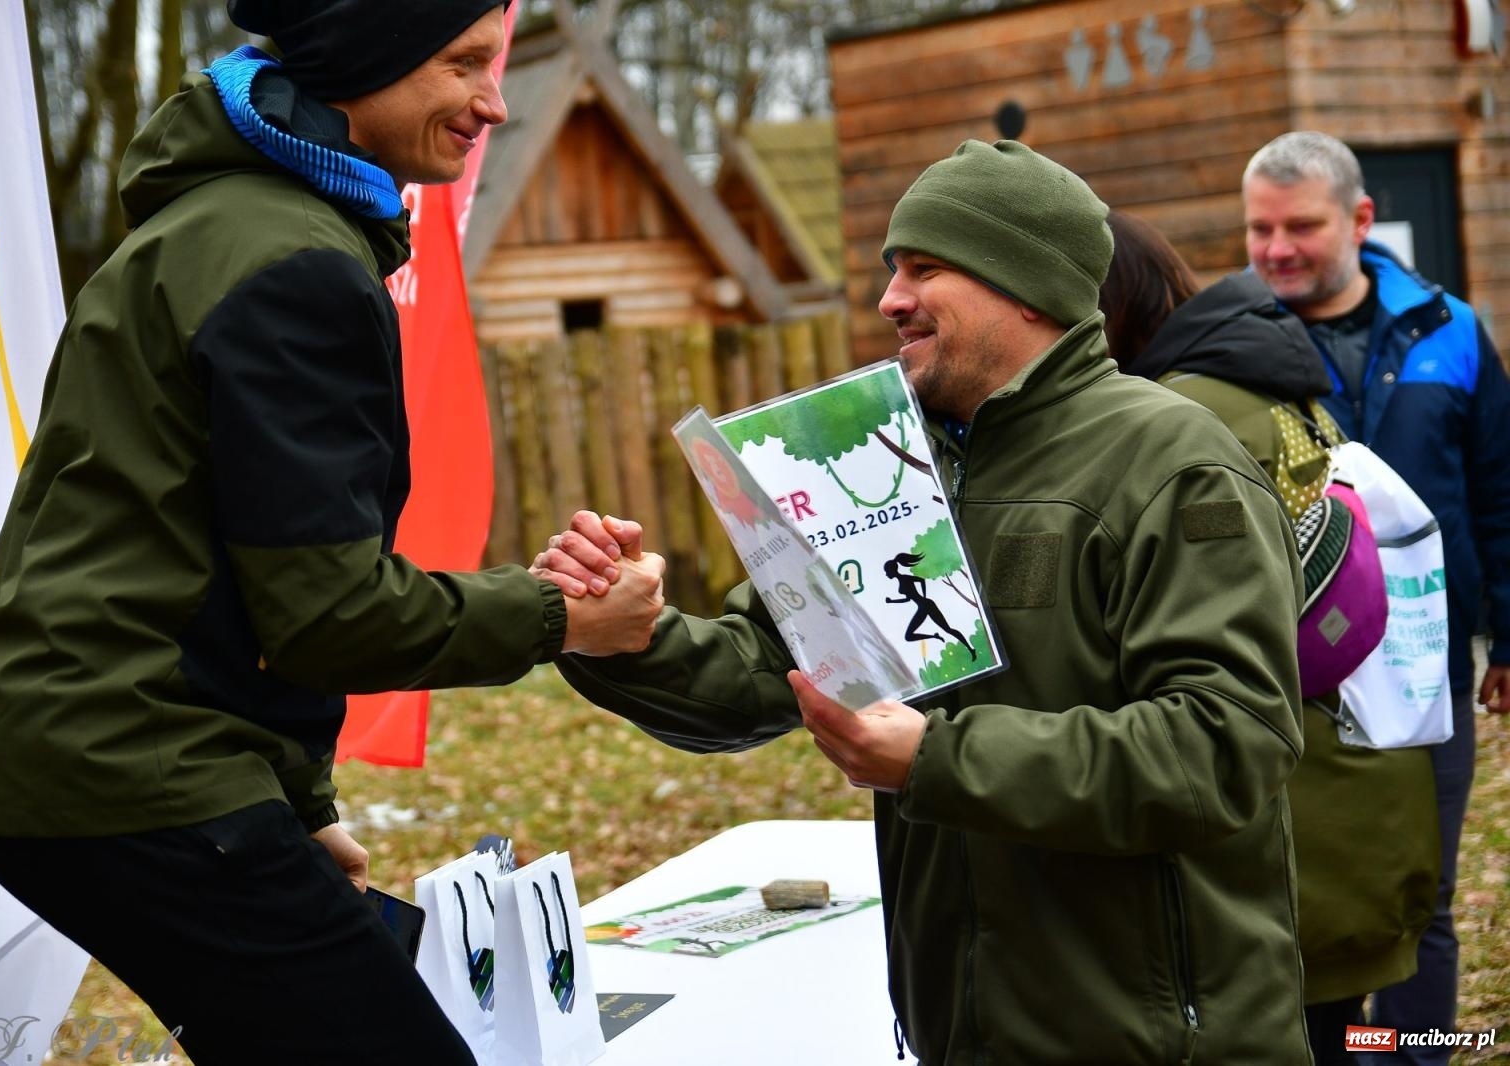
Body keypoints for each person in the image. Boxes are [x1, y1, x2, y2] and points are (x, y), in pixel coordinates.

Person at [0, 2, 663, 1062]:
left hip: (90, 754)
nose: (493, 103)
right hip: (130, 766)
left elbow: (211, 563)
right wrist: (566, 617)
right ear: (365, 59)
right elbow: (332, 616)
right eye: (462, 65)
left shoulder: (222, 225)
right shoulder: (294, 264)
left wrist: (295, 802)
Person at [536, 140, 1314, 1064]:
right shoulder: (887, 473)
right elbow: (762, 669)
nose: (890, 299)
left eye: (925, 269)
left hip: (1158, 1040)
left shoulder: (1174, 466)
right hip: (964, 1029)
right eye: (892, 270)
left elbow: (1227, 746)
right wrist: (614, 629)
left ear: (1029, 289)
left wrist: (938, 760)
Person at [1099, 210, 1441, 1064]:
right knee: (1343, 1034)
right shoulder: (1258, 383)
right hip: (1357, 782)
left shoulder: (1179, 416)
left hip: (1302, 817)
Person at [1242, 131, 1510, 1060]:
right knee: (1317, 899)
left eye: (1300, 227)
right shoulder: (1237, 349)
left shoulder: (1449, 331)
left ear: (1360, 219)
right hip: (1301, 678)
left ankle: (1411, 1053)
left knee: (1421, 894)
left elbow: (1498, 490)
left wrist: (1507, 638)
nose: (1276, 248)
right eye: (1260, 229)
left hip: (1427, 665)